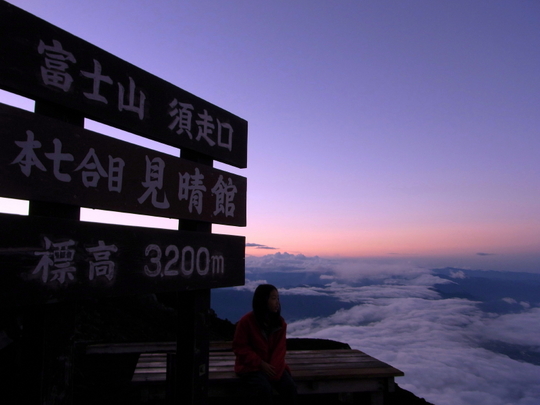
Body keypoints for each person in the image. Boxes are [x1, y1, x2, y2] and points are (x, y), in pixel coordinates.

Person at [232, 284, 297, 405]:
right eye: (273, 298)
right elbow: (240, 347)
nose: (277, 302)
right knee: (263, 390)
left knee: (290, 388)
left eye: (278, 298)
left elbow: (280, 349)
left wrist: (273, 369)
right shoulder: (246, 322)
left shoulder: (280, 323)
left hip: (274, 367)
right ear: (263, 300)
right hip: (251, 367)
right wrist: (260, 363)